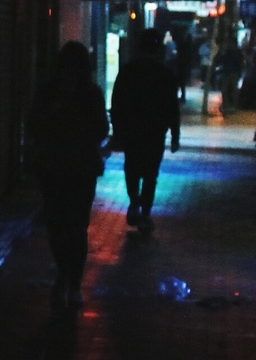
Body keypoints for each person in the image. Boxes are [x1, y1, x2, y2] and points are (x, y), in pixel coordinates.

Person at [26, 41, 110, 312]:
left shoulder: (62, 93)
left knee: (66, 226)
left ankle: (68, 280)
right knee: (69, 227)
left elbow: (34, 126)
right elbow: (100, 129)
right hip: (70, 168)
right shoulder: (78, 94)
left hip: (64, 168)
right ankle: (68, 279)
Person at [108, 27, 180, 230]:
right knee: (151, 173)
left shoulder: (129, 70)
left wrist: (118, 128)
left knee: (132, 166)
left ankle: (134, 202)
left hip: (133, 130)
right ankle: (145, 211)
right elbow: (172, 107)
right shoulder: (165, 74)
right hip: (156, 132)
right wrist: (175, 134)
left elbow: (118, 101)